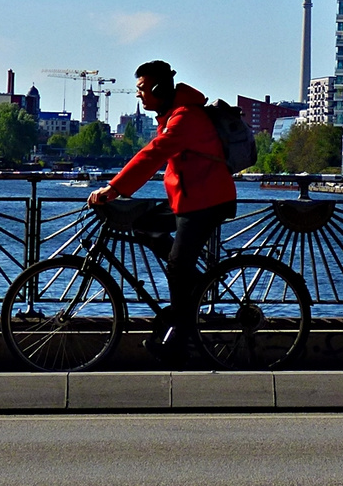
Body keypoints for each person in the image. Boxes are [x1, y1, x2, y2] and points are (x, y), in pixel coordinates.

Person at [88, 60, 236, 358]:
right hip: (188, 199)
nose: (139, 95)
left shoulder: (186, 118)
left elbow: (152, 155)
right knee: (142, 222)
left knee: (177, 266)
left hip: (207, 201)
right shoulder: (171, 116)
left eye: (142, 89)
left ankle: (181, 338)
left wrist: (113, 188)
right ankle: (193, 284)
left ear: (157, 88)